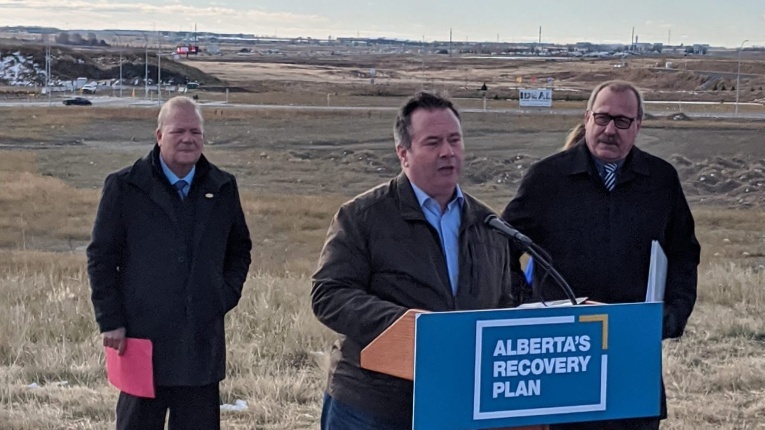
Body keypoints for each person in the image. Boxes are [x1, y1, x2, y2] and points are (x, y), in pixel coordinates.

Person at [311, 91, 523, 429]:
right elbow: (329, 294)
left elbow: (503, 304)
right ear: (403, 153)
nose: (447, 152)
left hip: (457, 400)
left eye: (454, 140)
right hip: (373, 404)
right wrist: (409, 327)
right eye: (433, 143)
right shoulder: (363, 216)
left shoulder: (488, 224)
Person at [501, 80, 701, 430]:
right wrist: (530, 307)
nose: (610, 130)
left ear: (638, 125)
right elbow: (502, 247)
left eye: (622, 121)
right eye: (603, 117)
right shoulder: (548, 178)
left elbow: (684, 253)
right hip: (562, 354)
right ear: (587, 117)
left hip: (632, 351)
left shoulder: (660, 180)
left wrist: (671, 315)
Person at [87, 96, 252, 430]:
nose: (188, 139)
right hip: (142, 339)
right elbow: (101, 258)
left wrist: (223, 296)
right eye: (179, 131)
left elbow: (239, 249)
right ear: (159, 135)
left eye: (195, 132)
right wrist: (110, 320)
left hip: (199, 342)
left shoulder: (222, 186)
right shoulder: (125, 186)